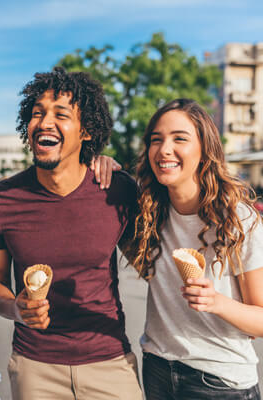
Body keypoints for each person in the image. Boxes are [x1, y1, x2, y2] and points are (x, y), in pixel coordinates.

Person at [0, 67, 143, 400]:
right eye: (37, 113)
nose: (45, 122)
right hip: (34, 367)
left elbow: (149, 265)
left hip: (110, 363)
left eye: (60, 114)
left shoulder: (117, 190)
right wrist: (16, 309)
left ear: (87, 131)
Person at [96, 98, 263, 399]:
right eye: (155, 140)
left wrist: (216, 302)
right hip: (158, 368)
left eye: (180, 139)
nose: (164, 150)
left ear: (204, 150)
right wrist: (103, 162)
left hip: (219, 380)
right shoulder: (148, 212)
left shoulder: (239, 218)